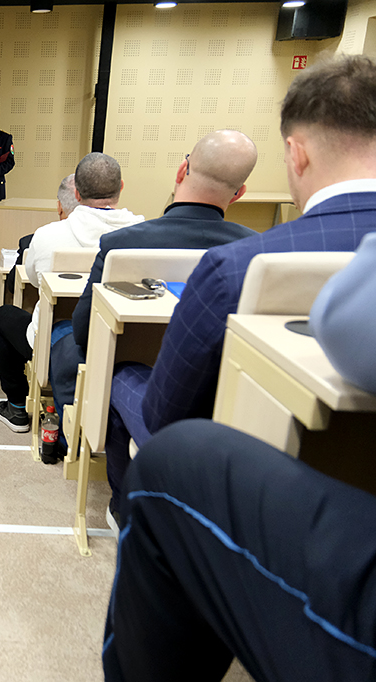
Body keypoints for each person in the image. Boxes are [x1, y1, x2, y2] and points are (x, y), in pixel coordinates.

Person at [103, 55, 376, 516]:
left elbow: (165, 413)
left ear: (297, 154)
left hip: (245, 484)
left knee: (121, 376)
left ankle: (130, 514)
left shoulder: (233, 268)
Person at [103, 234, 376, 682]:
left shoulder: (227, 266)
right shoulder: (243, 244)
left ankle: (123, 504)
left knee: (167, 456)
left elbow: (162, 411)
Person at [45, 131, 259, 435]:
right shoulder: (257, 251)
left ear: (182, 171)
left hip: (129, 376)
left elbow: (84, 330)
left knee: (64, 335)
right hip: (218, 391)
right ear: (239, 193)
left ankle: (74, 436)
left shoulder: (121, 243)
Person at [0, 153, 143, 434]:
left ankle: (17, 407)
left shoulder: (48, 235)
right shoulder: (143, 233)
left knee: (3, 316)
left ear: (77, 193)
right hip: (126, 346)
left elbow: (33, 281)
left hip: (58, 342)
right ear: (121, 187)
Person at [4, 174, 78, 296]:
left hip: (46, 306)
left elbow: (13, 285)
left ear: (59, 207)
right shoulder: (108, 241)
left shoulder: (34, 241)